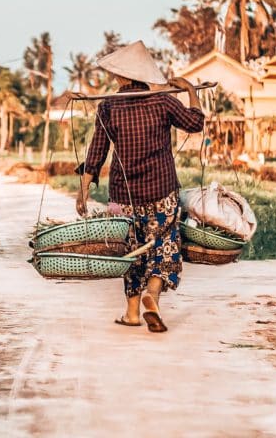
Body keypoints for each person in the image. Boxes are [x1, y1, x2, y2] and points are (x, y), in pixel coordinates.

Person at [76, 41, 205, 332]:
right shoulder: (163, 101)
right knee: (164, 243)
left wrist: (83, 187)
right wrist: (191, 91)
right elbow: (196, 123)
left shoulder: (108, 106)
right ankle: (152, 296)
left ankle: (132, 312)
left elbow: (97, 152)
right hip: (161, 191)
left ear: (121, 77)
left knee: (130, 249)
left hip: (121, 196)